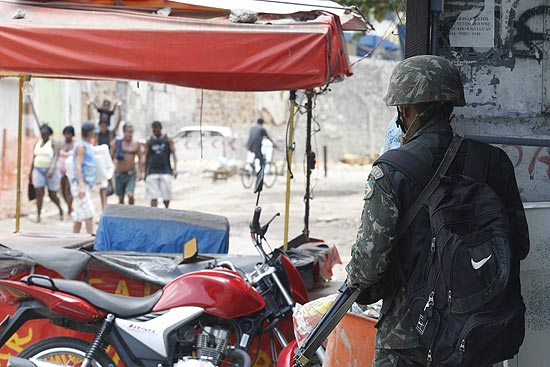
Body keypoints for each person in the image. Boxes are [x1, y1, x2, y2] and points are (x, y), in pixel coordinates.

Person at [345, 55, 530, 367]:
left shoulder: (391, 170)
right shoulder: (493, 163)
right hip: (472, 335)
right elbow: (519, 247)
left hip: (407, 339)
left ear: (406, 109)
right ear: (450, 105)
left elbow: (368, 267)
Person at [29, 124, 64, 222]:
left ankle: (60, 209)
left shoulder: (53, 143)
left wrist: (52, 169)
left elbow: (56, 157)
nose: (43, 135)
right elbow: (34, 158)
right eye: (42, 133)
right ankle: (38, 215)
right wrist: (30, 172)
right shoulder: (37, 143)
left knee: (52, 194)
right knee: (39, 192)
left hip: (50, 171)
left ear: (49, 134)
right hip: (38, 169)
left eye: (45, 134)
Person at [70, 122, 97, 234]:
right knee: (88, 213)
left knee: (79, 214)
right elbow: (78, 166)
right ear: (91, 133)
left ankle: (73, 239)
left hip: (85, 183)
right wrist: (81, 185)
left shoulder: (86, 145)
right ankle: (91, 239)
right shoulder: (81, 146)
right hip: (81, 184)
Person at [144, 121, 178, 208]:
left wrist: (175, 168)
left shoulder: (168, 140)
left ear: (160, 129)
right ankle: (154, 215)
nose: (155, 131)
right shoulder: (149, 141)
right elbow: (146, 157)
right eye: (154, 130)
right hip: (152, 171)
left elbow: (174, 154)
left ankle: (166, 211)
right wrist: (145, 172)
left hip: (165, 171)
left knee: (166, 196)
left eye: (157, 129)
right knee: (153, 196)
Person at [110, 123, 142, 205]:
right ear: (124, 132)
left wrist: (140, 172)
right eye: (129, 132)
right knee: (121, 197)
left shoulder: (136, 144)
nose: (131, 134)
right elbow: (111, 157)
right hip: (119, 174)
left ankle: (131, 211)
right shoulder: (116, 143)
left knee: (130, 194)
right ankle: (122, 214)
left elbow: (140, 158)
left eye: (132, 132)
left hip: (131, 174)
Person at [95, 118, 119, 211]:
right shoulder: (97, 135)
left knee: (108, 183)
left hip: (109, 160)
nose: (103, 128)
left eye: (104, 126)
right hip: (101, 162)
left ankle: (106, 205)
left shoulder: (110, 134)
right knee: (103, 185)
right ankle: (104, 206)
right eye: (101, 126)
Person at [57, 125, 75, 218]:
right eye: (66, 134)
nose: (67, 136)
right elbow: (57, 156)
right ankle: (70, 206)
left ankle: (69, 210)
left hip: (71, 171)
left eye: (69, 134)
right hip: (61, 171)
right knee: (62, 191)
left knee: (68, 190)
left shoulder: (75, 145)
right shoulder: (60, 144)